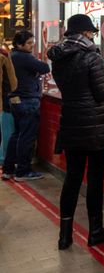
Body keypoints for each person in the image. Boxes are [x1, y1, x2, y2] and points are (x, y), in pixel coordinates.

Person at [48, 14, 104, 250]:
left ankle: (64, 235)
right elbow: (102, 93)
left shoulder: (58, 57)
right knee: (95, 181)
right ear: (85, 32)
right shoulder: (91, 56)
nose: (92, 35)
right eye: (91, 32)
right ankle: (95, 231)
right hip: (95, 128)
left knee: (72, 179)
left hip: (71, 124)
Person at [2, 30, 50, 181]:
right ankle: (23, 171)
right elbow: (45, 68)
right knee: (27, 137)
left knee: (16, 135)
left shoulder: (11, 56)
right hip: (27, 100)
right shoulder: (24, 57)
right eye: (29, 43)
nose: (32, 45)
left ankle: (8, 169)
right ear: (19, 44)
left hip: (15, 100)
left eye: (32, 42)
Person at [0, 45, 18, 168]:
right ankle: (4, 160)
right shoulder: (4, 55)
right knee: (6, 132)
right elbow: (13, 83)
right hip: (3, 102)